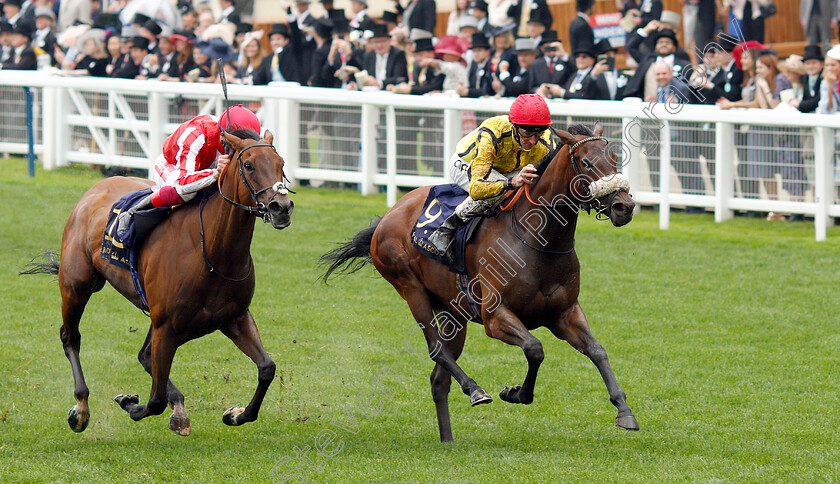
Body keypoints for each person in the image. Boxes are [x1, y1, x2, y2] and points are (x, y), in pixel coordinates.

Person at [429, 94, 559, 258]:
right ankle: (446, 228)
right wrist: (510, 183)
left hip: (506, 168)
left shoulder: (546, 142)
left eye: (538, 133)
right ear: (514, 126)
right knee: (494, 193)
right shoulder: (493, 131)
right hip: (467, 163)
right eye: (527, 133)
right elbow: (477, 189)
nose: (533, 141)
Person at [116, 105, 262, 234]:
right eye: (234, 143)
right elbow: (182, 183)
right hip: (172, 167)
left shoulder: (234, 136)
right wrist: (216, 173)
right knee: (186, 194)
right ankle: (132, 212)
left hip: (205, 167)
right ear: (223, 135)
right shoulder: (197, 135)